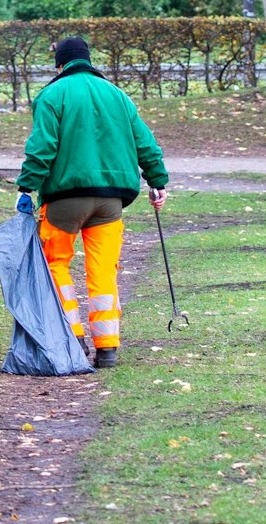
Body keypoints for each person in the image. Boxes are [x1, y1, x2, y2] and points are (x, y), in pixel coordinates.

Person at [15, 36, 168, 369]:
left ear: (60, 65)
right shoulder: (118, 95)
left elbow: (42, 148)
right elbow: (145, 143)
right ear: (88, 60)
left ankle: (72, 337)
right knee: (103, 270)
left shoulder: (52, 95)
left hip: (65, 199)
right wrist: (157, 182)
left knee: (55, 263)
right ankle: (108, 347)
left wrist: (26, 188)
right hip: (111, 201)